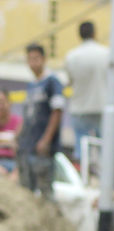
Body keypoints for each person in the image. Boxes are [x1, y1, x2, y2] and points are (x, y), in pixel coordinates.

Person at [16, 42, 64, 200]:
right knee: (27, 193)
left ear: (44, 59)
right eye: (30, 59)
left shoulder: (52, 82)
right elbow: (28, 115)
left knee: (45, 195)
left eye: (36, 58)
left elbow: (57, 111)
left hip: (43, 149)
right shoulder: (31, 85)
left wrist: (46, 139)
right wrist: (18, 136)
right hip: (28, 145)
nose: (33, 63)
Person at [64, 20, 108, 163]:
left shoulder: (72, 56)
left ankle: (83, 173)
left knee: (81, 149)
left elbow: (69, 81)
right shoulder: (105, 53)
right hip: (101, 107)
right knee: (103, 147)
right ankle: (104, 173)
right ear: (94, 33)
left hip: (79, 108)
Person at [0, 89, 21, 179]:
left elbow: (22, 150)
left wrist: (16, 172)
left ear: (9, 103)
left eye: (2, 102)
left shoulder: (18, 123)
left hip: (13, 164)